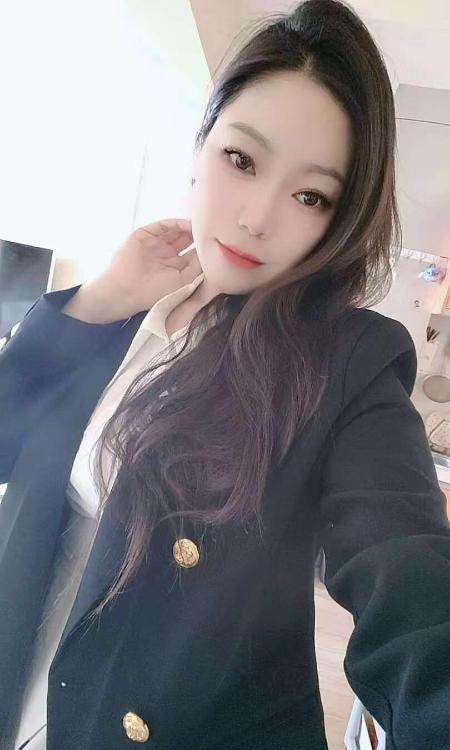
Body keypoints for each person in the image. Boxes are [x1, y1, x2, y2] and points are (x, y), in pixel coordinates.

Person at [0, 1, 449, 748]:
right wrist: (95, 303)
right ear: (200, 144)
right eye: (241, 160)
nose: (257, 217)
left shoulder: (345, 361)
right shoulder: (126, 311)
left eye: (310, 195)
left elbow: (406, 574)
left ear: (339, 222)